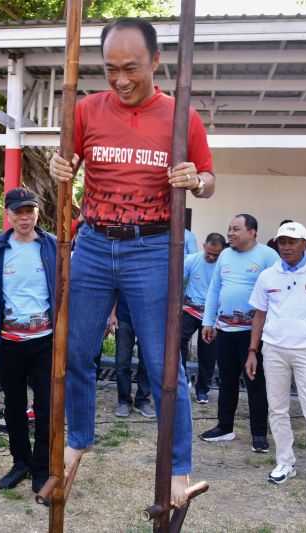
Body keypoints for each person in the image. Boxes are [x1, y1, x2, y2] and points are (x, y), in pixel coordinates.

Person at [49, 17, 215, 506]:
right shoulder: (84, 110)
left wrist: (194, 180)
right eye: (111, 69)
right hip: (95, 246)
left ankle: (179, 470)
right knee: (75, 352)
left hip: (153, 248)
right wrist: (61, 165)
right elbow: (67, 163)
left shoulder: (181, 116)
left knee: (166, 364)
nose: (120, 80)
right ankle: (76, 440)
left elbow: (208, 180)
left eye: (131, 68)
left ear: (156, 62)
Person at [246, 222, 306, 503]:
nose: (286, 247)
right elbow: (259, 316)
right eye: (282, 242)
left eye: (292, 241)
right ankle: (285, 462)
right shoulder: (267, 275)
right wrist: (253, 350)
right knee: (277, 410)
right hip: (273, 350)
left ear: (305, 245)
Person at [0, 188, 55, 493]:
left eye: (29, 211)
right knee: (14, 406)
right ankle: (20, 462)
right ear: (8, 214)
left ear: (37, 212)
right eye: (18, 212)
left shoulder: (50, 246)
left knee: (47, 407)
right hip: (9, 342)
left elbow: (64, 290)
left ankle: (42, 466)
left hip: (45, 342)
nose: (24, 217)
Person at [200, 214, 278, 453]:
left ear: (252, 232)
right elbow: (215, 289)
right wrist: (208, 321)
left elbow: (277, 292)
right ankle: (225, 427)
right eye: (229, 229)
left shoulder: (267, 256)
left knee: (255, 383)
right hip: (224, 330)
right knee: (227, 381)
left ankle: (258, 434)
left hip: (252, 333)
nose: (230, 233)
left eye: (236, 229)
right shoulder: (225, 254)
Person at [181, 232, 225, 404]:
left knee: (208, 352)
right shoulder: (192, 260)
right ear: (204, 245)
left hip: (212, 313)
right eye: (209, 252)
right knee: (178, 341)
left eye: (216, 254)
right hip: (190, 309)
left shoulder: (223, 265)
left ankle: (202, 389)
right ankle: (183, 378)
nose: (212, 256)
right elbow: (178, 281)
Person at [112, 296, 155, 418]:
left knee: (146, 362)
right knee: (122, 362)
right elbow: (115, 290)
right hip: (124, 317)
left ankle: (142, 400)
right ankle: (124, 401)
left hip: (148, 318)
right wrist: (112, 314)